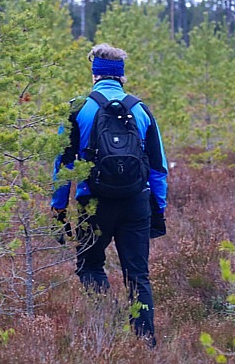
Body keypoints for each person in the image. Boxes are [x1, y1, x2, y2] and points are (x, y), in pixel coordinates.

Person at [51, 43, 168, 346]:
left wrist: (58, 208)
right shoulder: (141, 109)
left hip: (93, 203)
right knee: (137, 276)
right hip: (136, 202)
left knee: (90, 266)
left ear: (94, 75)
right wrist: (158, 210)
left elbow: (63, 164)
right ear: (121, 76)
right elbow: (158, 168)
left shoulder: (79, 107)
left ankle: (109, 324)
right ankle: (145, 344)